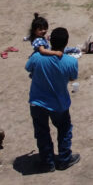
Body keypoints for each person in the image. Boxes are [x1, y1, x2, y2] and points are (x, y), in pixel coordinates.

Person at [25, 27, 80, 172]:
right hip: (59, 103)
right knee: (64, 129)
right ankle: (64, 159)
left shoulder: (36, 57)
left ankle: (47, 162)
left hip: (37, 102)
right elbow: (72, 77)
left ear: (50, 41)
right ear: (66, 43)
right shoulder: (71, 61)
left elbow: (28, 68)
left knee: (42, 132)